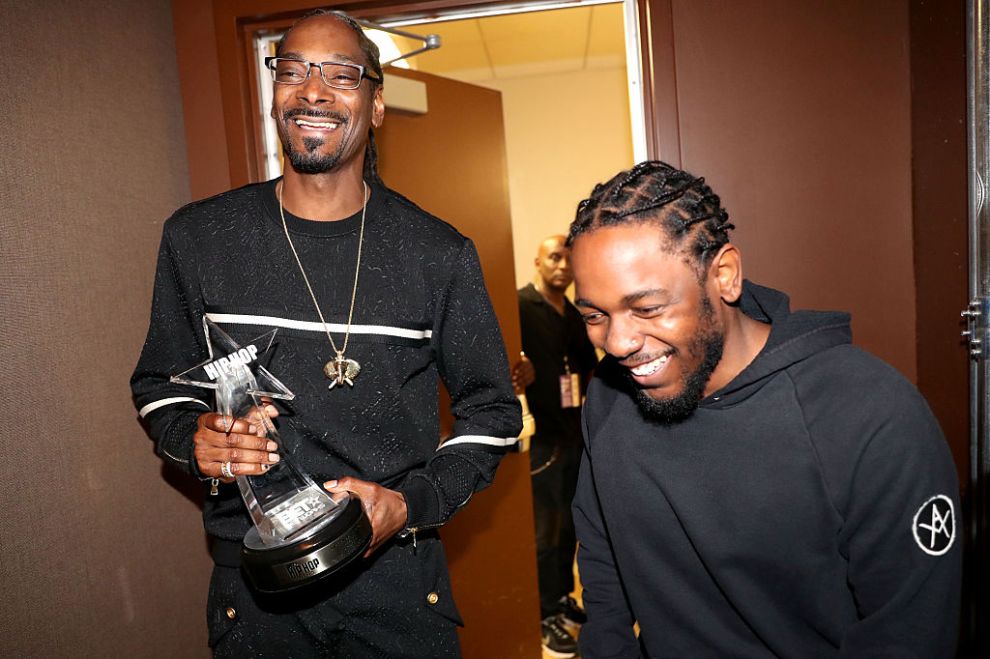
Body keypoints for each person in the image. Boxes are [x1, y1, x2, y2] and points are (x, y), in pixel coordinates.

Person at [130, 10, 520, 657]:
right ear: (275, 92)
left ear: (376, 107)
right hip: (256, 589)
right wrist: (191, 438)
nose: (313, 91)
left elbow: (495, 411)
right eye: (293, 71)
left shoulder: (436, 252)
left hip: (398, 581)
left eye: (340, 74)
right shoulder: (198, 238)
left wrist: (411, 502)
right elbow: (158, 383)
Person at [566, 161, 962, 658]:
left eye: (647, 309)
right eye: (595, 316)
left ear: (724, 276)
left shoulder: (870, 415)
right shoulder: (610, 396)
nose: (619, 343)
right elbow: (604, 573)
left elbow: (909, 634)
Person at [514, 235, 597, 657]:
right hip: (543, 438)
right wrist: (519, 366)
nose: (562, 265)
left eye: (567, 258)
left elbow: (589, 369)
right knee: (545, 533)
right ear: (538, 262)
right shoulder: (521, 307)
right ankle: (544, 614)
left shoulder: (575, 313)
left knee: (570, 527)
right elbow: (509, 361)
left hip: (575, 436)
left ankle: (563, 596)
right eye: (554, 257)